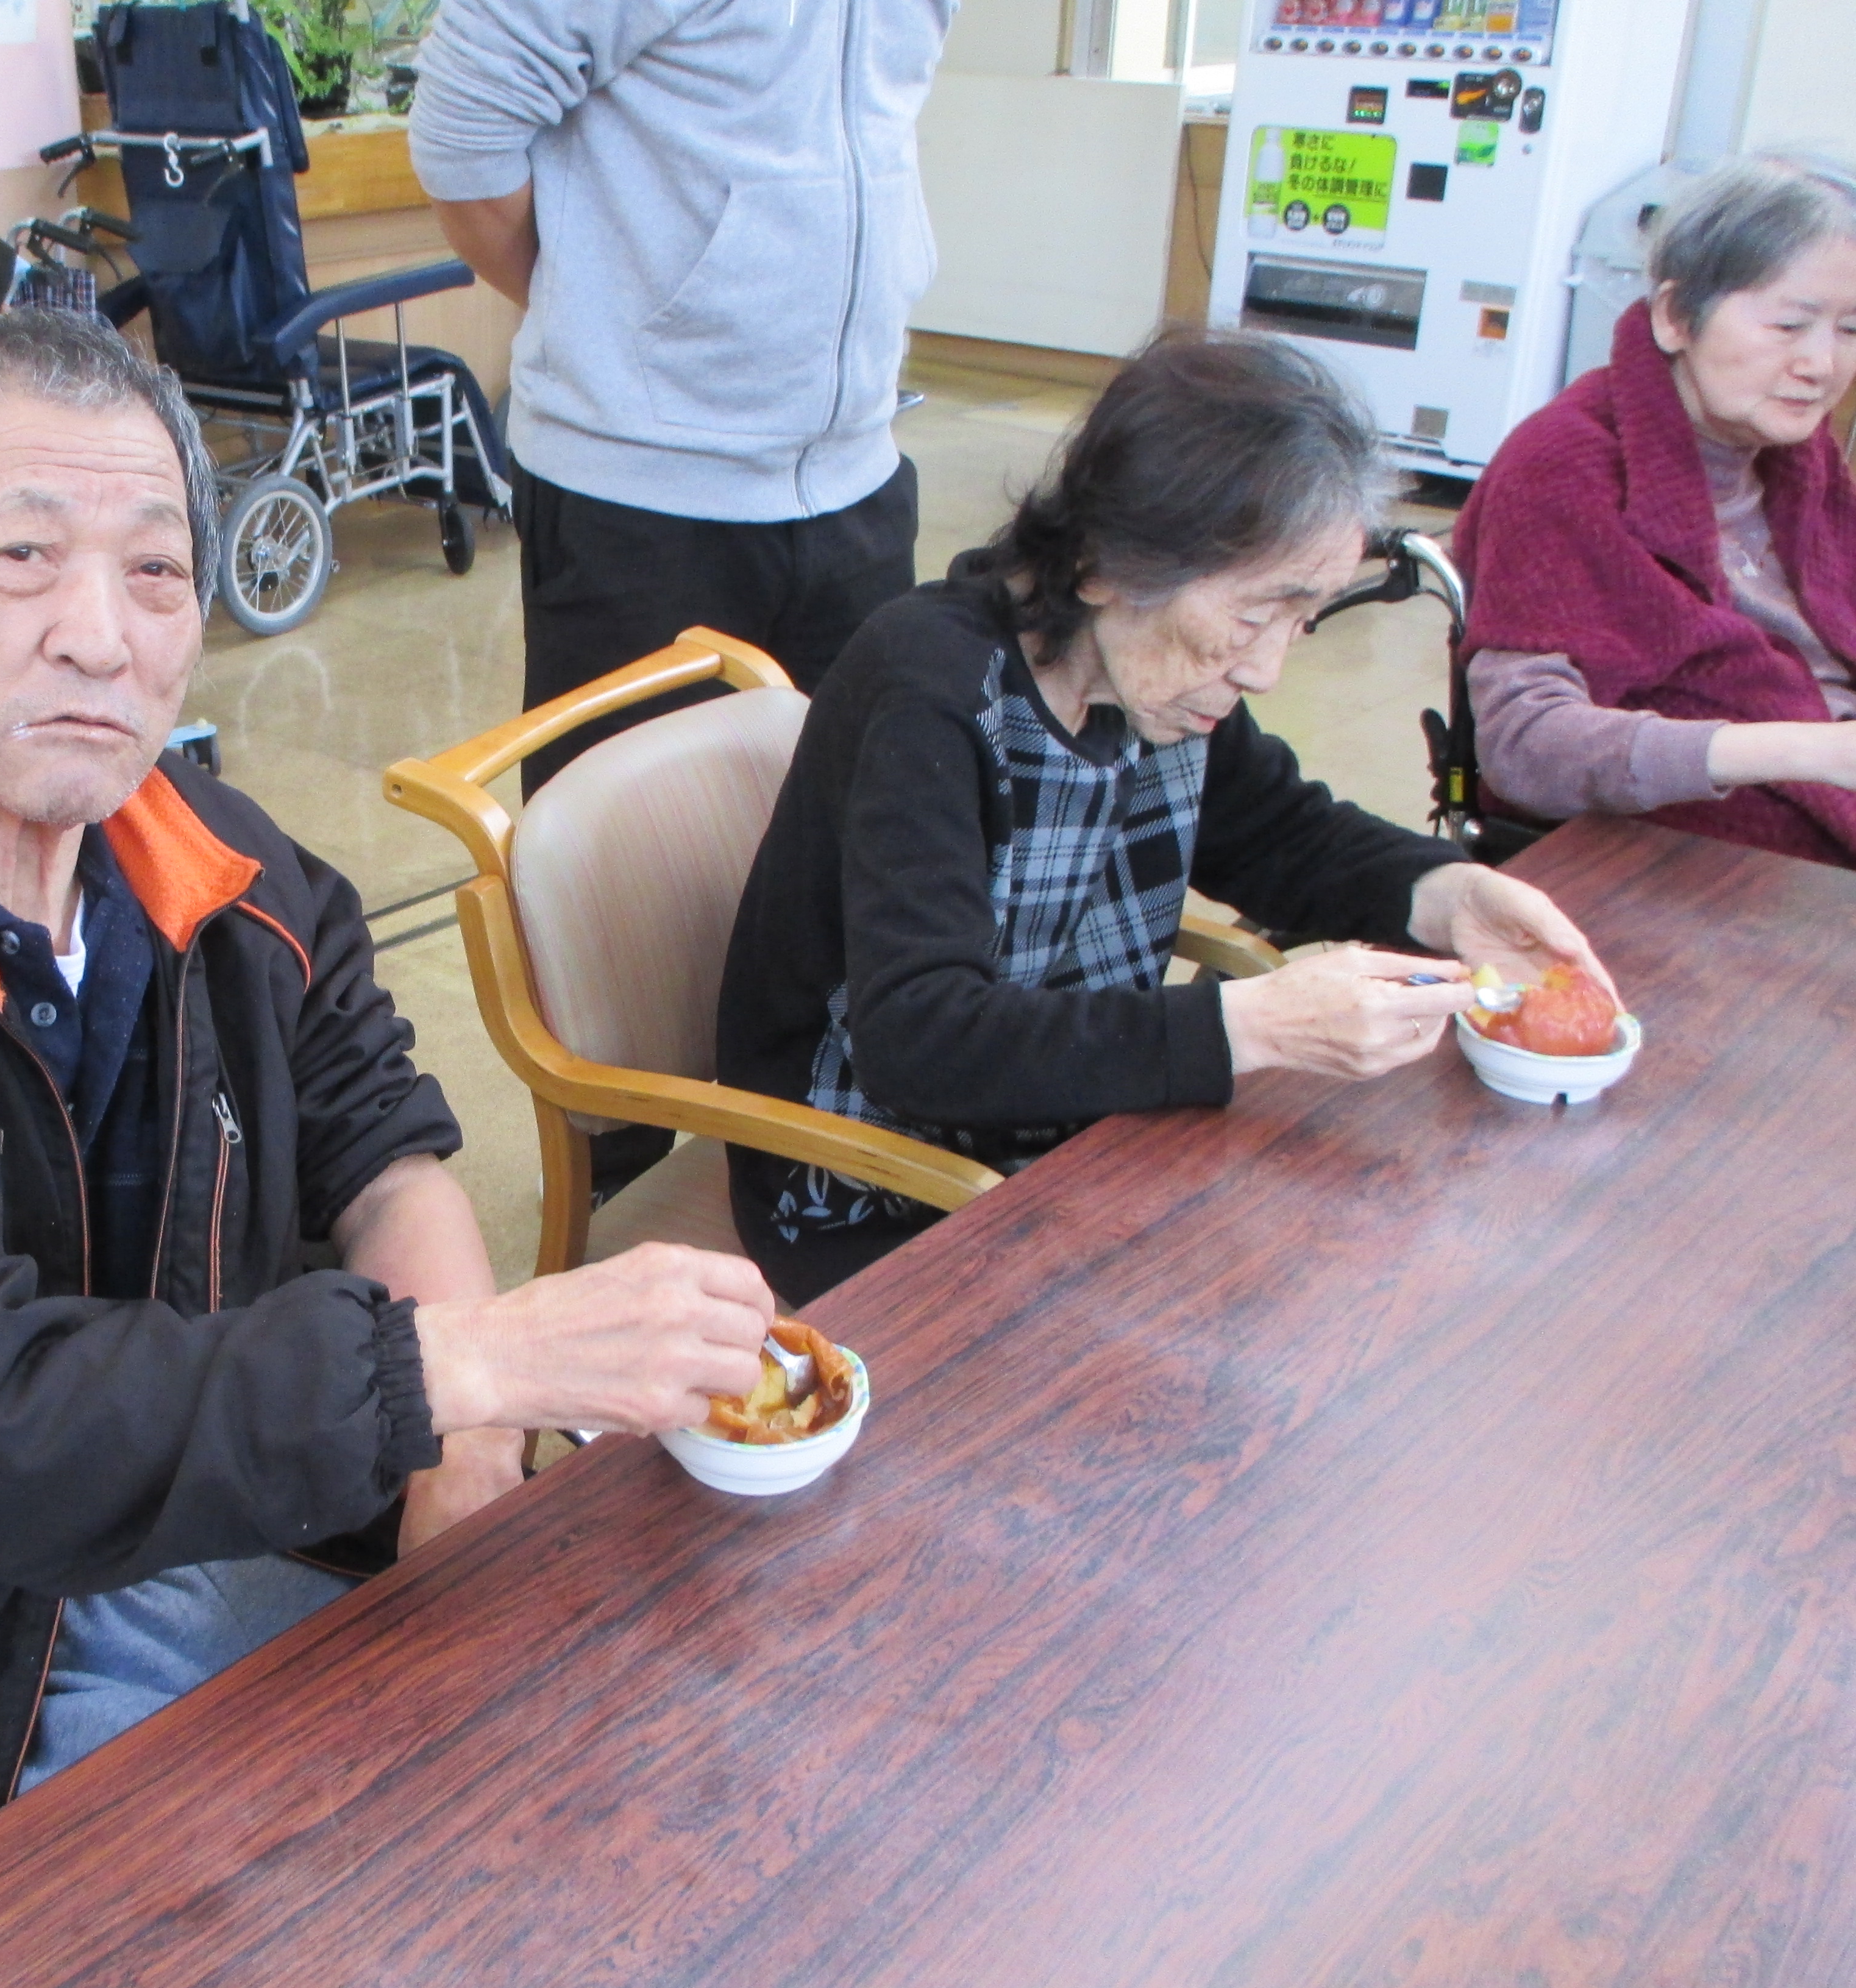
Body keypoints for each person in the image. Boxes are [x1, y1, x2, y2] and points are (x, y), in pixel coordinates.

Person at [0, 311, 776, 1855]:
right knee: (395, 1870)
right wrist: (458, 1369)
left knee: (612, 1720)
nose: (100, 634)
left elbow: (382, 1153)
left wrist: (464, 1458)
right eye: (22, 557)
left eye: (153, 568)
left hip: (198, 1482)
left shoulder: (221, 860)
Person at [713, 332, 1618, 1307]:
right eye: (1253, 616)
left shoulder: (1158, 677)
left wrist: (1448, 896)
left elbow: (1279, 833)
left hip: (1071, 1131)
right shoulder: (933, 687)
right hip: (870, 1182)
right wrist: (1251, 1026)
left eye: (1302, 619)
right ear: (1105, 565)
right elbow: (920, 1038)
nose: (1266, 667)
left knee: (1379, 1263)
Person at [411, 0, 952, 1198]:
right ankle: (621, 1191)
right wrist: (605, 305)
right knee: (620, 893)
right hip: (636, 485)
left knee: (855, 848)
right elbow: (461, 135)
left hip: (856, 469)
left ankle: (809, 1152)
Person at [1452, 152, 1856, 868]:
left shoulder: (1797, 456)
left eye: (1852, 330)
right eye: (1790, 325)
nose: (1822, 366)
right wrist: (1807, 750)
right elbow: (1524, 747)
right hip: (1703, 850)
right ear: (1674, 317)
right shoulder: (1565, 468)